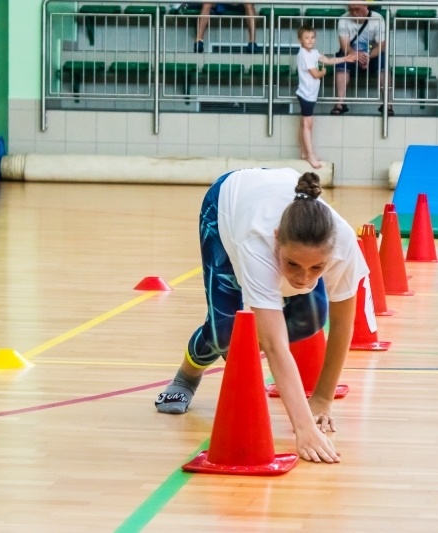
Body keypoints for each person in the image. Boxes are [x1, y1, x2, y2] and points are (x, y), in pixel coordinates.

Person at [155, 168, 370, 464]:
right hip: (226, 206)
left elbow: (344, 323)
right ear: (277, 239)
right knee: (226, 334)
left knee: (311, 319)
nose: (304, 278)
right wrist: (304, 427)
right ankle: (189, 373)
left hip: (272, 204)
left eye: (316, 269)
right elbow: (274, 344)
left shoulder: (344, 245)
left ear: (331, 254)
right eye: (293, 264)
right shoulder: (257, 241)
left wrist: (322, 399)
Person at [296, 25, 357, 169]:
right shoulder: (304, 54)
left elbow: (328, 60)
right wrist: (323, 72)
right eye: (306, 38)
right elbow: (316, 74)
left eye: (312, 37)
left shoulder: (313, 52)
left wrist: (345, 58)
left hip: (310, 94)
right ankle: (310, 155)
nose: (310, 41)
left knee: (305, 123)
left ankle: (304, 153)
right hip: (306, 94)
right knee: (307, 124)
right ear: (300, 40)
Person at [331, 3, 391, 115]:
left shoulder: (377, 18)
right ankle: (339, 103)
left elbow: (381, 46)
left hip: (371, 56)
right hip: (351, 55)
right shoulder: (344, 19)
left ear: (366, 6)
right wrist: (357, 55)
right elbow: (344, 46)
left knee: (383, 62)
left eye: (357, 9)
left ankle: (387, 104)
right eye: (351, 9)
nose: (354, 13)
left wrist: (367, 56)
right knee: (341, 61)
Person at [193, 3, 259, 54]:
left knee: (249, 3)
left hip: (239, 3)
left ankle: (252, 42)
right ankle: (199, 41)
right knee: (207, 3)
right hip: (223, 2)